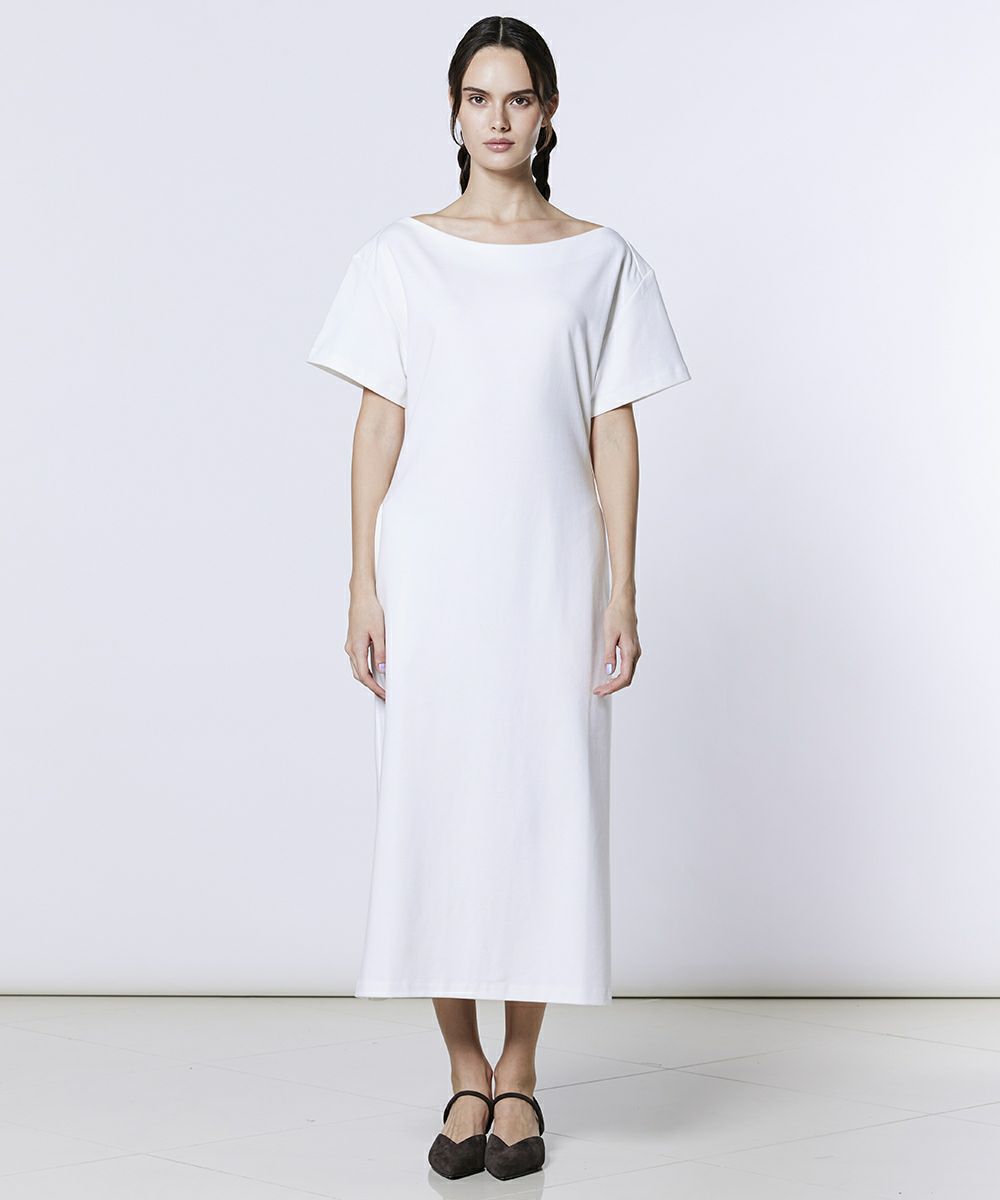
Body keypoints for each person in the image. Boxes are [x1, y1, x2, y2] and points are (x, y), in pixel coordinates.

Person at [306, 15, 691, 1183]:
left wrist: (622, 587)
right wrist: (362, 580)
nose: (498, 119)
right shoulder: (400, 256)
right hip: (432, 572)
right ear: (453, 112)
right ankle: (462, 1068)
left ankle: (518, 1070)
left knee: (540, 808)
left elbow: (612, 428)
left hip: (551, 571)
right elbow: (379, 425)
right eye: (478, 98)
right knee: (437, 806)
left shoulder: (600, 259)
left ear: (550, 111)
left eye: (518, 98)